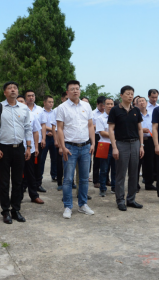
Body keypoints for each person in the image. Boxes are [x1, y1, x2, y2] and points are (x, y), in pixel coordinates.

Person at [0, 82, 33, 225]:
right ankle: (5, 211)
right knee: (4, 182)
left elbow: (28, 128)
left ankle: (16, 209)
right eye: (9, 88)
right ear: (5, 92)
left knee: (18, 181)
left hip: (19, 148)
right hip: (3, 148)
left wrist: (28, 147)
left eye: (15, 88)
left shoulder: (24, 108)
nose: (13, 90)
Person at [57, 80, 96, 219]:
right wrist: (63, 147)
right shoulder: (62, 107)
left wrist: (93, 143)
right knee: (68, 179)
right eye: (72, 89)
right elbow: (59, 129)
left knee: (84, 178)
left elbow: (90, 125)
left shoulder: (86, 105)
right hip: (70, 147)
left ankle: (83, 205)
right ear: (67, 92)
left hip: (85, 147)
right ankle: (68, 206)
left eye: (77, 89)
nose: (75, 91)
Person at [108, 86, 144, 211]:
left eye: (132, 94)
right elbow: (111, 130)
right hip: (121, 144)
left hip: (135, 144)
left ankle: (131, 199)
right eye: (128, 93)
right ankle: (120, 200)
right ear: (121, 95)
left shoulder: (136, 111)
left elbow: (140, 128)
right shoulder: (115, 110)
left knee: (134, 173)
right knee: (121, 174)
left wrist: (141, 145)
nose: (130, 96)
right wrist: (114, 147)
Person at [17, 95, 44, 205]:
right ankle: (18, 196)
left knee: (31, 173)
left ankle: (34, 195)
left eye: (22, 101)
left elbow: (36, 131)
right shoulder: (12, 116)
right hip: (16, 149)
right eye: (18, 102)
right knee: (17, 174)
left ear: (25, 103)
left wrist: (36, 147)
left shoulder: (32, 115)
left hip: (30, 149)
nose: (21, 103)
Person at [24, 90, 46, 192]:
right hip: (24, 143)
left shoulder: (40, 110)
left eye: (33, 95)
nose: (31, 97)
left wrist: (43, 138)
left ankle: (38, 184)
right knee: (25, 165)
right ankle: (24, 185)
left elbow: (43, 125)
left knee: (38, 164)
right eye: (28, 96)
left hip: (37, 141)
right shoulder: (22, 109)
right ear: (25, 98)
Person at [95, 98, 116, 197]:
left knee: (115, 168)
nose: (110, 106)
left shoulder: (117, 118)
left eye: (111, 104)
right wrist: (114, 135)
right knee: (103, 168)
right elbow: (102, 132)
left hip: (115, 145)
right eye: (108, 104)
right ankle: (102, 188)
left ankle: (114, 186)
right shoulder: (100, 118)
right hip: (104, 145)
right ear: (104, 105)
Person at [138, 97, 156, 191]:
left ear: (146, 103)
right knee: (137, 163)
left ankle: (149, 183)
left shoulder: (152, 114)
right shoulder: (135, 114)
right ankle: (135, 184)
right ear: (137, 104)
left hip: (150, 140)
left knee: (150, 163)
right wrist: (140, 130)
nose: (142, 103)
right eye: (140, 101)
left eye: (143, 101)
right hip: (138, 140)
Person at [39, 95, 57, 185]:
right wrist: (51, 130)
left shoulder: (55, 112)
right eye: (49, 102)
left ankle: (54, 175)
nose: (51, 104)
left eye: (52, 102)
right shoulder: (40, 112)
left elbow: (57, 125)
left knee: (55, 158)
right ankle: (40, 176)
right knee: (42, 158)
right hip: (44, 137)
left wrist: (53, 132)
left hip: (53, 137)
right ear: (44, 102)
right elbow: (41, 124)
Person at [54, 92, 69, 191]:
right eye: (66, 98)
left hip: (70, 140)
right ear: (62, 99)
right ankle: (60, 182)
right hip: (61, 140)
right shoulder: (57, 109)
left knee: (69, 164)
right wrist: (59, 144)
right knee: (60, 163)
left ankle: (70, 182)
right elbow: (55, 128)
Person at [92, 96, 106, 189]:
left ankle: (105, 179)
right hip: (97, 136)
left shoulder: (108, 113)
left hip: (106, 137)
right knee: (97, 159)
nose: (103, 107)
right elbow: (91, 126)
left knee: (106, 159)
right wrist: (98, 126)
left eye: (104, 105)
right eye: (101, 105)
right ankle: (96, 180)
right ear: (97, 104)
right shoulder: (93, 113)